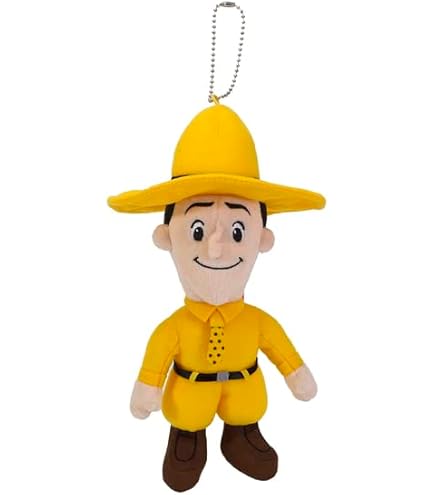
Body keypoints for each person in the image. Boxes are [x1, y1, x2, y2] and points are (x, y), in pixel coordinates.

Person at [108, 103, 325, 492]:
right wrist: (147, 388)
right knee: (187, 426)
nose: (215, 248)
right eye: (197, 230)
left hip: (245, 391)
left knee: (246, 414)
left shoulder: (258, 321)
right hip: (189, 399)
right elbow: (158, 353)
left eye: (238, 232)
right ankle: (186, 437)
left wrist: (297, 374)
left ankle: (242, 434)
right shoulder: (175, 327)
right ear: (166, 238)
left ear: (262, 240)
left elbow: (279, 347)